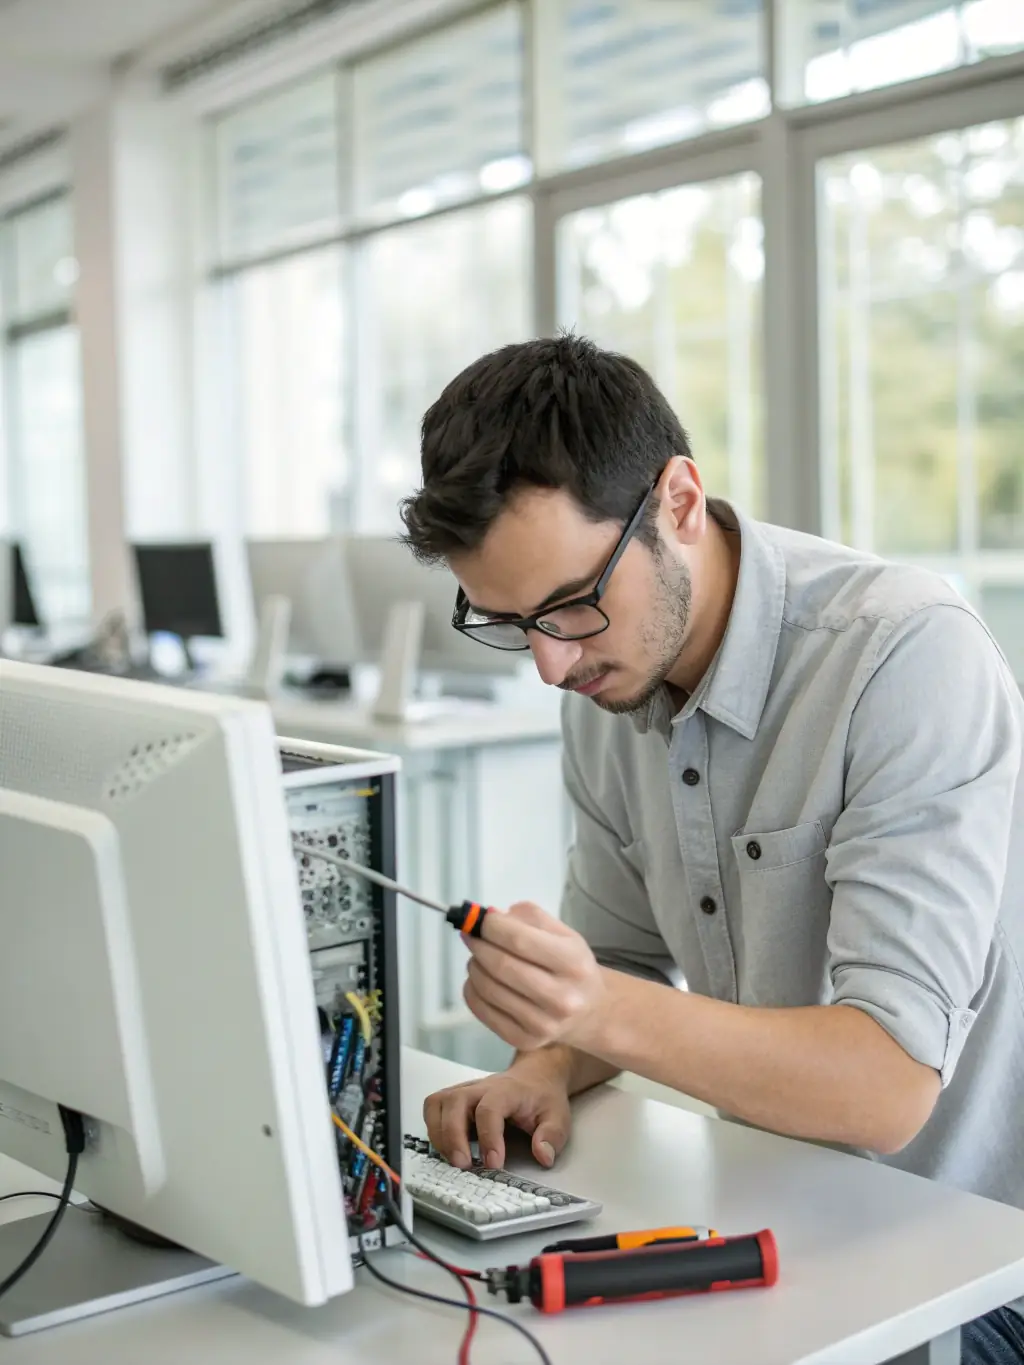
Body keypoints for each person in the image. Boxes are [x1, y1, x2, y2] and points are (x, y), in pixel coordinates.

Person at [399, 333, 1024, 1364]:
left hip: (971, 1273)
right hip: (793, 1221)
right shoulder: (607, 671)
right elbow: (619, 966)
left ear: (678, 502)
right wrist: (547, 1062)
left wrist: (591, 1007)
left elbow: (885, 1086)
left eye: (567, 605)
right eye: (511, 623)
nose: (550, 665)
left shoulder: (906, 655)